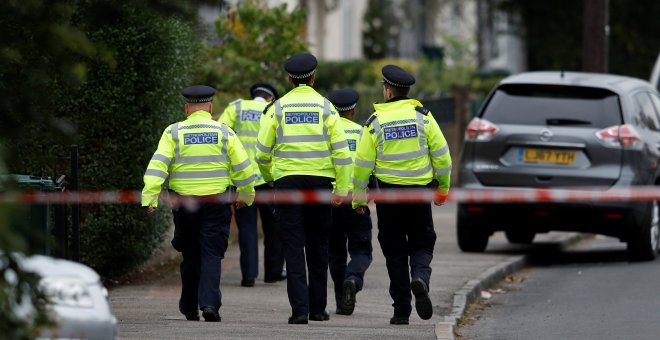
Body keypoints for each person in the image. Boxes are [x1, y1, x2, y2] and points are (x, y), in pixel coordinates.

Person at [142, 85, 256, 322]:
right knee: (212, 253)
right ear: (211, 107)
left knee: (190, 254)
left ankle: (189, 306)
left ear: (186, 108)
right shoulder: (224, 132)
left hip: (184, 204)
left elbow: (158, 165)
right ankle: (210, 305)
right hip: (216, 202)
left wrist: (149, 197)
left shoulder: (173, 133)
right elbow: (244, 167)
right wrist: (246, 195)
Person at [255, 53, 352, 324]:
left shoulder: (278, 108)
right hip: (321, 185)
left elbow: (262, 152)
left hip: (287, 183)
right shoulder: (326, 108)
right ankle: (318, 309)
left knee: (293, 247)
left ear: (289, 79)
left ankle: (299, 312)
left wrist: (270, 178)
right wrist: (342, 190)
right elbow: (342, 153)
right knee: (319, 247)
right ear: (314, 77)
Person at [352, 65, 452, 325]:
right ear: (406, 91)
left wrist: (359, 199)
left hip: (388, 199)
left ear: (387, 90)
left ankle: (401, 311)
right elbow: (443, 157)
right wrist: (443, 188)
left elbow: (361, 165)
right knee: (422, 242)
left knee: (395, 252)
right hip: (419, 195)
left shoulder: (374, 122)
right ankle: (420, 277)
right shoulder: (424, 117)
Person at [218, 83, 286, 287]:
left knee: (246, 228)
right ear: (270, 98)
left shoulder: (236, 108)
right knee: (273, 226)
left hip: (242, 180)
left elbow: (220, 134)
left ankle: (249, 276)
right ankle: (273, 272)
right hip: (268, 180)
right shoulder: (275, 111)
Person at [326, 88, 373, 316]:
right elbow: (371, 166)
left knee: (335, 253)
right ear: (353, 111)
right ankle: (353, 279)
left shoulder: (325, 134)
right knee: (362, 250)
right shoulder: (363, 132)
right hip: (357, 202)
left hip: (331, 201)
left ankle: (340, 301)